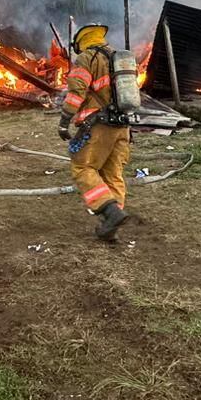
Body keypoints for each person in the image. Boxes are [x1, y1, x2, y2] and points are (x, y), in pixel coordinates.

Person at [58, 23, 130, 240]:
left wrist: (64, 120)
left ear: (81, 41)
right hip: (122, 126)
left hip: (98, 124)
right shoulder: (118, 58)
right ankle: (110, 226)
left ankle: (110, 212)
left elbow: (76, 92)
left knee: (83, 167)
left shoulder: (87, 58)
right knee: (113, 174)